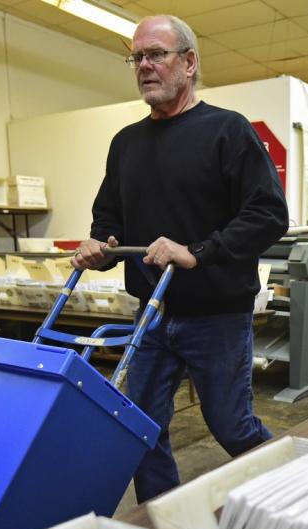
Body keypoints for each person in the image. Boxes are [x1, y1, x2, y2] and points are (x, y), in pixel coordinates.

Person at [72, 15, 289, 503]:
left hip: (217, 316)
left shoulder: (227, 131)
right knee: (139, 430)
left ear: (188, 63)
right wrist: (97, 247)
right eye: (137, 57)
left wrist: (197, 252)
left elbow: (269, 214)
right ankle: (162, 522)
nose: (144, 66)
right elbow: (110, 220)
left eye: (156, 54)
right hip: (151, 315)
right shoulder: (125, 143)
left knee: (233, 428)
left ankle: (290, 502)